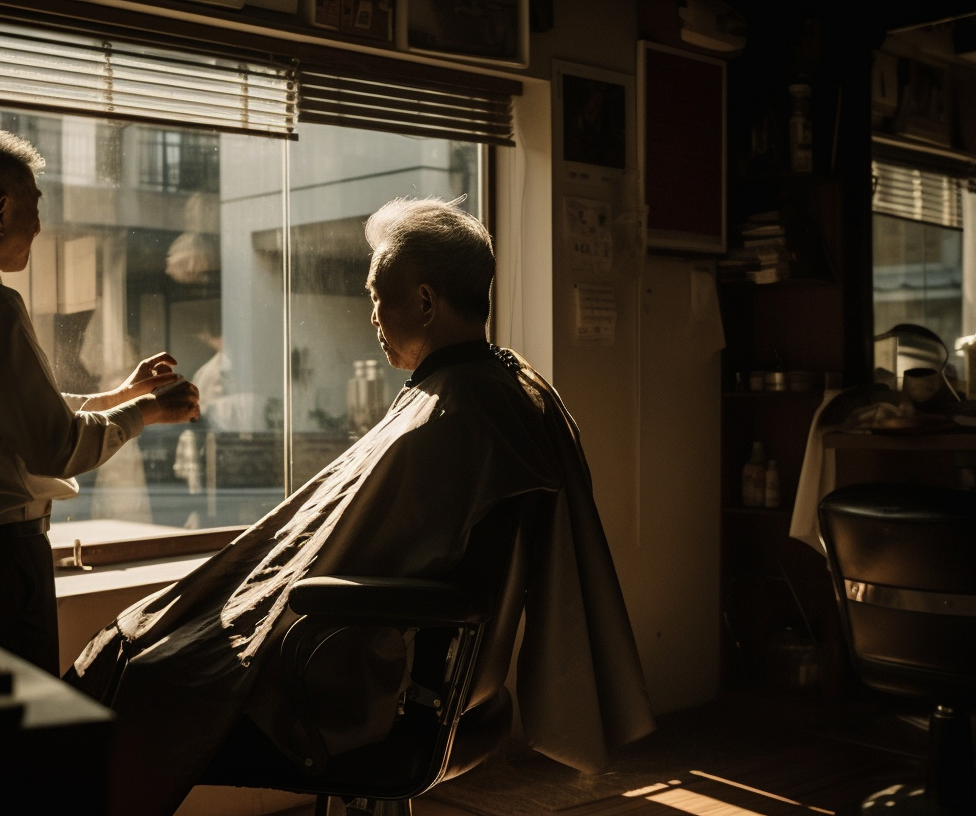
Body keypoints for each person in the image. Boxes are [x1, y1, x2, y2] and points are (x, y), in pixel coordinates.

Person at [65, 197, 656, 816]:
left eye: (379, 294)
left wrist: (253, 602)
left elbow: (351, 558)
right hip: (447, 683)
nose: (371, 314)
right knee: (142, 646)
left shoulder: (449, 418)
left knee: (140, 672)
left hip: (376, 689)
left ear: (426, 301)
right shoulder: (508, 389)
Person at [0, 125, 201, 674]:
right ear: (1, 209)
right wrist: (148, 411)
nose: (40, 224)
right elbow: (53, 446)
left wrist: (123, 392)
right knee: (25, 723)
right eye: (36, 206)